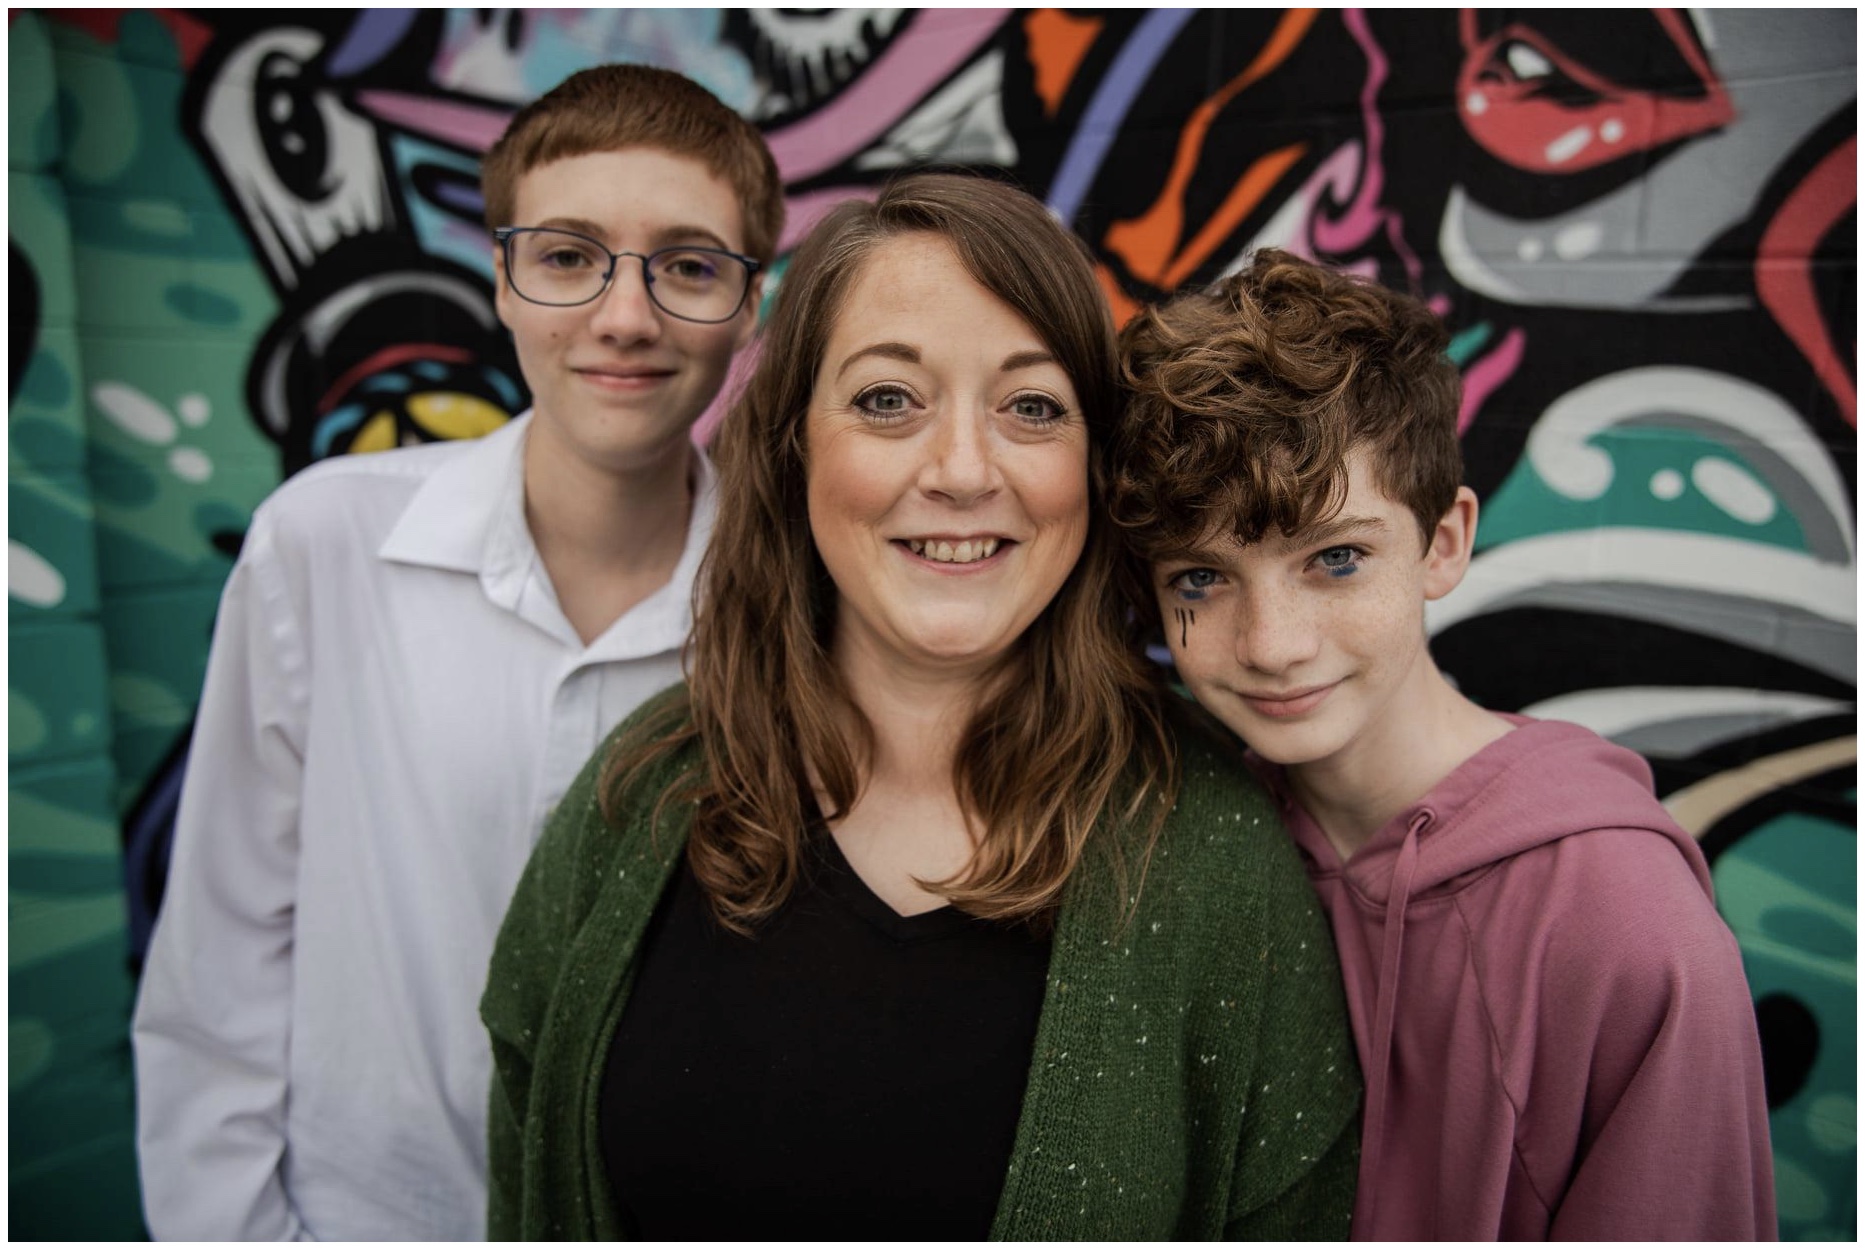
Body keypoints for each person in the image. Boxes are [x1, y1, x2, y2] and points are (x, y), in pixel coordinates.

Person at [481, 174, 1362, 1240]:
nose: (958, 470)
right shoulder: (640, 790)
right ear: (795, 438)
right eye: (887, 398)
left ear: (1095, 465)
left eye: (1031, 406)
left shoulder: (1217, 856)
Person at [130, 65, 783, 1240]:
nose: (624, 316)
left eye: (687, 265)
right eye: (567, 254)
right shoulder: (326, 544)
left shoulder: (794, 599)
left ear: (747, 305)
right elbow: (215, 970)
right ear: (500, 278)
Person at [1108, 248, 1778, 1240]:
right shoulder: (1186, 851)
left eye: (1334, 559)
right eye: (1200, 578)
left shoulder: (1624, 930)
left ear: (1443, 542)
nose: (1273, 645)